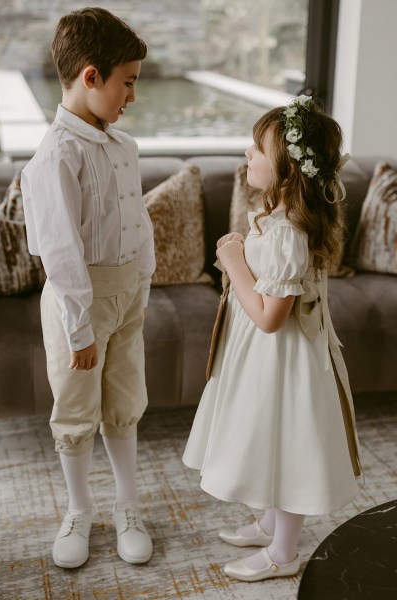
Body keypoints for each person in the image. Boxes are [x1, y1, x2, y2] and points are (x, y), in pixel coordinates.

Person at [182, 95, 361, 582]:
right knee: (266, 439)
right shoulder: (279, 218)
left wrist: (235, 262)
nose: (247, 155)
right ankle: (271, 524)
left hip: (282, 358)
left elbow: (269, 317)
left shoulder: (288, 234)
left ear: (286, 171)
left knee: (286, 445)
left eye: (257, 149)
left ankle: (284, 552)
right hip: (265, 358)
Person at [21, 7, 155, 569]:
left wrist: (143, 280)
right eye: (127, 83)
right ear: (91, 77)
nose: (131, 97)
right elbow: (60, 252)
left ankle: (128, 504)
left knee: (124, 400)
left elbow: (137, 220)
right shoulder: (55, 157)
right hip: (82, 301)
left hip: (128, 294)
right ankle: (79, 508)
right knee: (77, 407)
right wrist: (79, 327)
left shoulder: (123, 147)